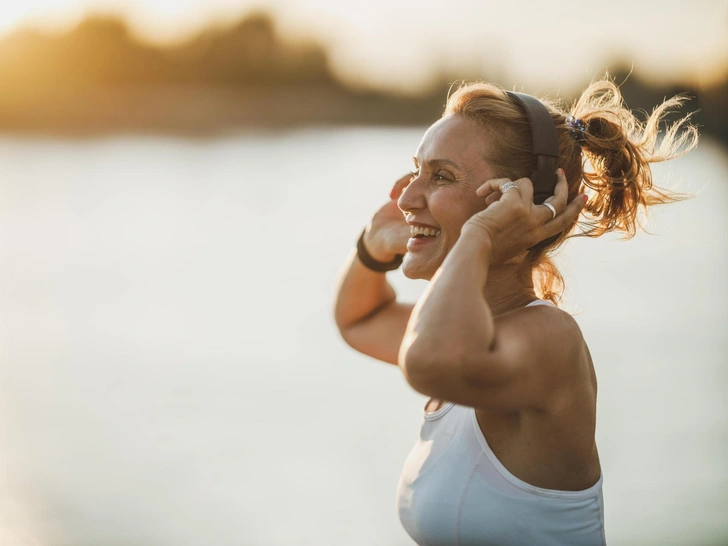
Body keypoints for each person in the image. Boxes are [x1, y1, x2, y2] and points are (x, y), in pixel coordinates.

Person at [333, 78, 697, 546]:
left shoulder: (548, 338)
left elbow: (428, 362)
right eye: (416, 171)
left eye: (440, 176)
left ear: (514, 203)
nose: (404, 199)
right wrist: (371, 246)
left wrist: (480, 237)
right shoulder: (464, 329)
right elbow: (357, 321)